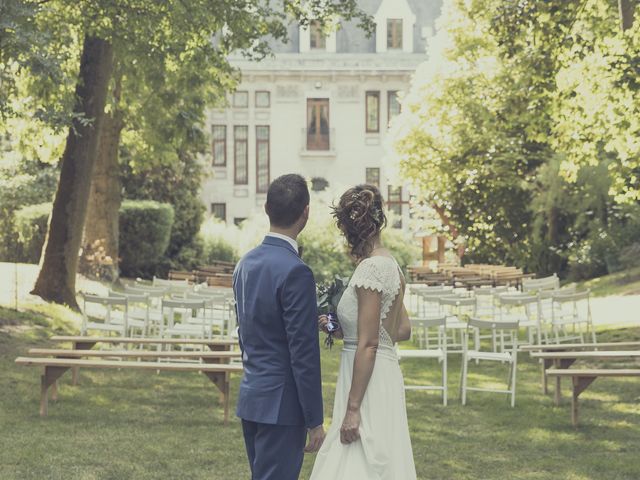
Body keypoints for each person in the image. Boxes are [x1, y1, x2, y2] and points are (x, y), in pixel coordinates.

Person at [310, 184, 417, 479]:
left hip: (365, 380)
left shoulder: (370, 269)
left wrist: (353, 408)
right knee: (376, 457)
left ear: (352, 228)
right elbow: (401, 329)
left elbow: (369, 343)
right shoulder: (392, 266)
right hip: (383, 373)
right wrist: (345, 331)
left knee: (355, 457)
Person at [233, 174, 325, 480]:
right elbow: (303, 352)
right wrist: (315, 419)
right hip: (282, 406)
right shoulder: (296, 272)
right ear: (306, 212)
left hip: (253, 395)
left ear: (266, 207)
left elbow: (244, 333)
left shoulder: (244, 264)